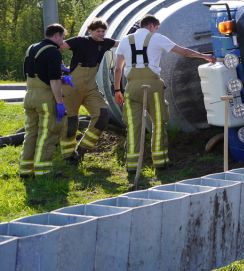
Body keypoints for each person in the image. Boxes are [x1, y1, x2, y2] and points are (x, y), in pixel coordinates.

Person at [113, 15, 215, 172]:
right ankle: (160, 162)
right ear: (152, 26)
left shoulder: (126, 40)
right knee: (159, 123)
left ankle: (132, 165)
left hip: (131, 87)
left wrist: (117, 90)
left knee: (133, 126)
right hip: (153, 87)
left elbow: (118, 68)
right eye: (156, 28)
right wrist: (204, 56)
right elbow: (184, 52)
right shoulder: (157, 38)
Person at [60, 18, 117, 163]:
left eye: (103, 31)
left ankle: (83, 148)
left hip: (90, 87)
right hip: (72, 87)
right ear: (90, 31)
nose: (101, 34)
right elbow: (57, 47)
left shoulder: (106, 43)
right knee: (71, 122)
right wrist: (59, 66)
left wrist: (137, 33)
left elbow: (124, 44)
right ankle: (68, 156)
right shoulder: (79, 41)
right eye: (98, 31)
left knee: (102, 115)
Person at [19, 24, 70, 177]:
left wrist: (63, 79)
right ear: (56, 35)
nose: (63, 40)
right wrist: (60, 102)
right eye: (62, 37)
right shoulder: (53, 52)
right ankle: (43, 172)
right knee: (47, 133)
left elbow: (33, 72)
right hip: (45, 98)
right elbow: (53, 81)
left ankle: (25, 170)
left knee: (31, 133)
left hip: (29, 95)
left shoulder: (32, 48)